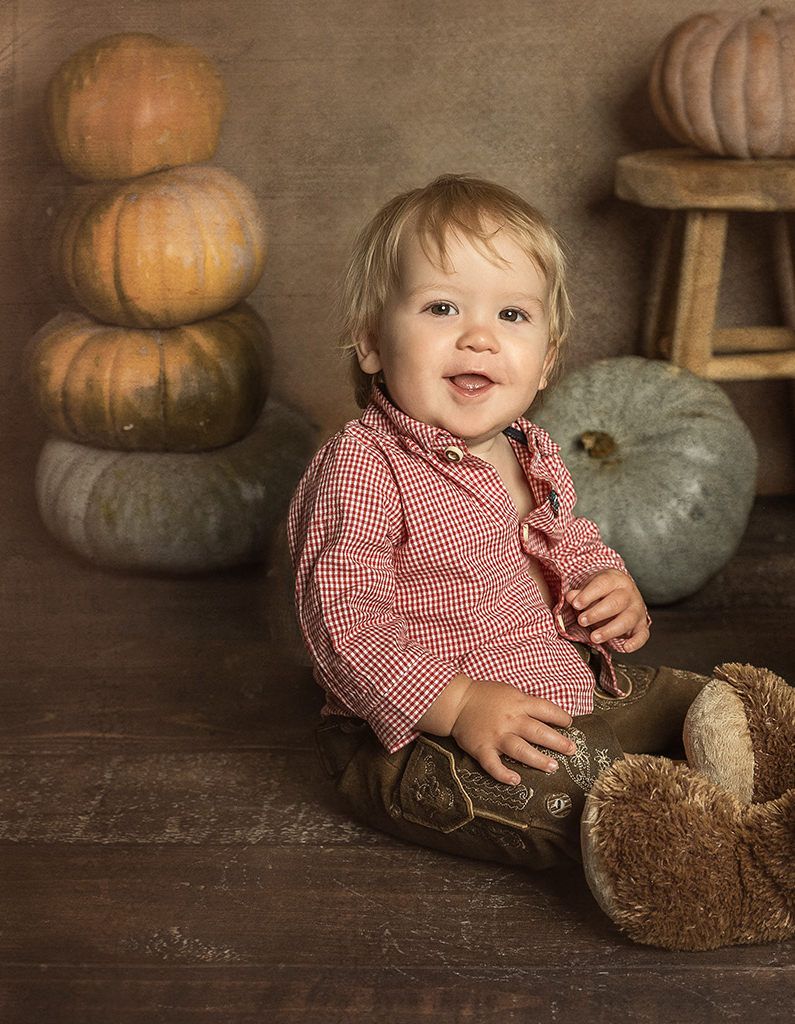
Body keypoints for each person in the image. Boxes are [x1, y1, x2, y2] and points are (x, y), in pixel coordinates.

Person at [288, 174, 709, 869]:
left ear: (545, 361)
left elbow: (563, 542)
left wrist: (603, 582)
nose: (479, 337)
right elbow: (342, 621)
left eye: (511, 316)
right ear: (370, 344)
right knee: (575, 800)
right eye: (442, 307)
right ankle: (691, 849)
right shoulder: (362, 468)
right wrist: (456, 706)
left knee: (697, 707)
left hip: (560, 685)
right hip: (418, 737)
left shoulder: (529, 451)